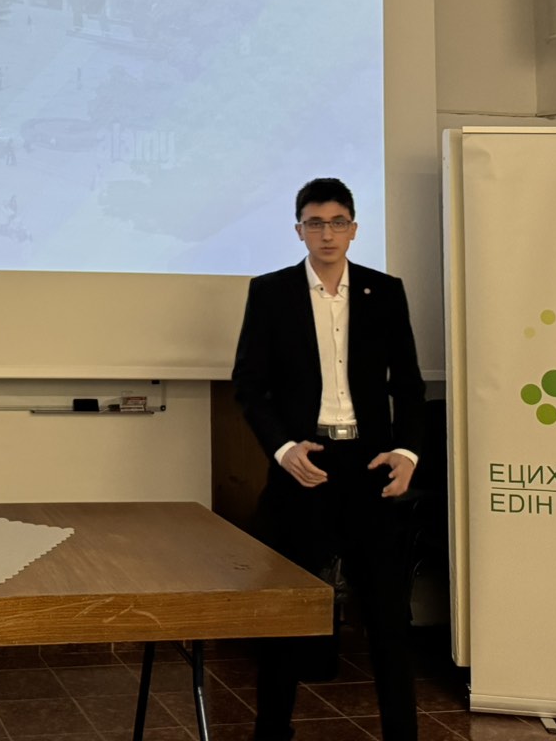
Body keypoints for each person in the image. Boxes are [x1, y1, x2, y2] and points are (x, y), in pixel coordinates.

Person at [231, 178, 425, 741]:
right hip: (304, 465)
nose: (327, 234)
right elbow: (249, 385)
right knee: (285, 612)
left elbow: (408, 383)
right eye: (315, 223)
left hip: (369, 468)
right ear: (299, 230)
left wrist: (407, 452)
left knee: (388, 616)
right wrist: (283, 448)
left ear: (354, 229)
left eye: (338, 222)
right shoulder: (271, 292)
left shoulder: (384, 292)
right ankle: (272, 733)